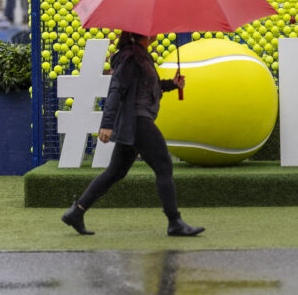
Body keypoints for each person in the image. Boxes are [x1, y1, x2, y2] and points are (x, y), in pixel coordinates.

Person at [62, 32, 204, 236]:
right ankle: (175, 223)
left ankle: (76, 212)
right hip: (138, 121)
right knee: (164, 166)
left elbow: (148, 88)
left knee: (115, 172)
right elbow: (116, 90)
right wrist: (106, 124)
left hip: (134, 121)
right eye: (152, 31)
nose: (156, 33)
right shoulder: (131, 57)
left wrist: (172, 84)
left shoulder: (140, 55)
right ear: (143, 34)